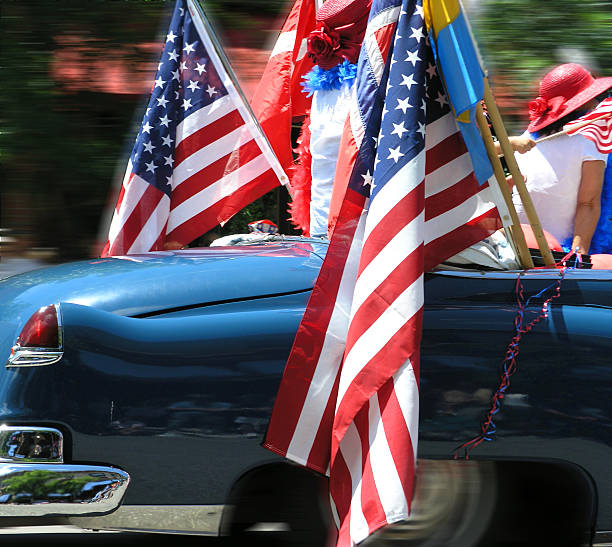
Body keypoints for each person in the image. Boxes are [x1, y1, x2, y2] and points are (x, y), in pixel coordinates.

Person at [511, 63, 612, 255]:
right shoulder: (591, 139)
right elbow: (588, 203)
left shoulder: (525, 138)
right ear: (585, 101)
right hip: (557, 253)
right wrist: (578, 257)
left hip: (516, 245)